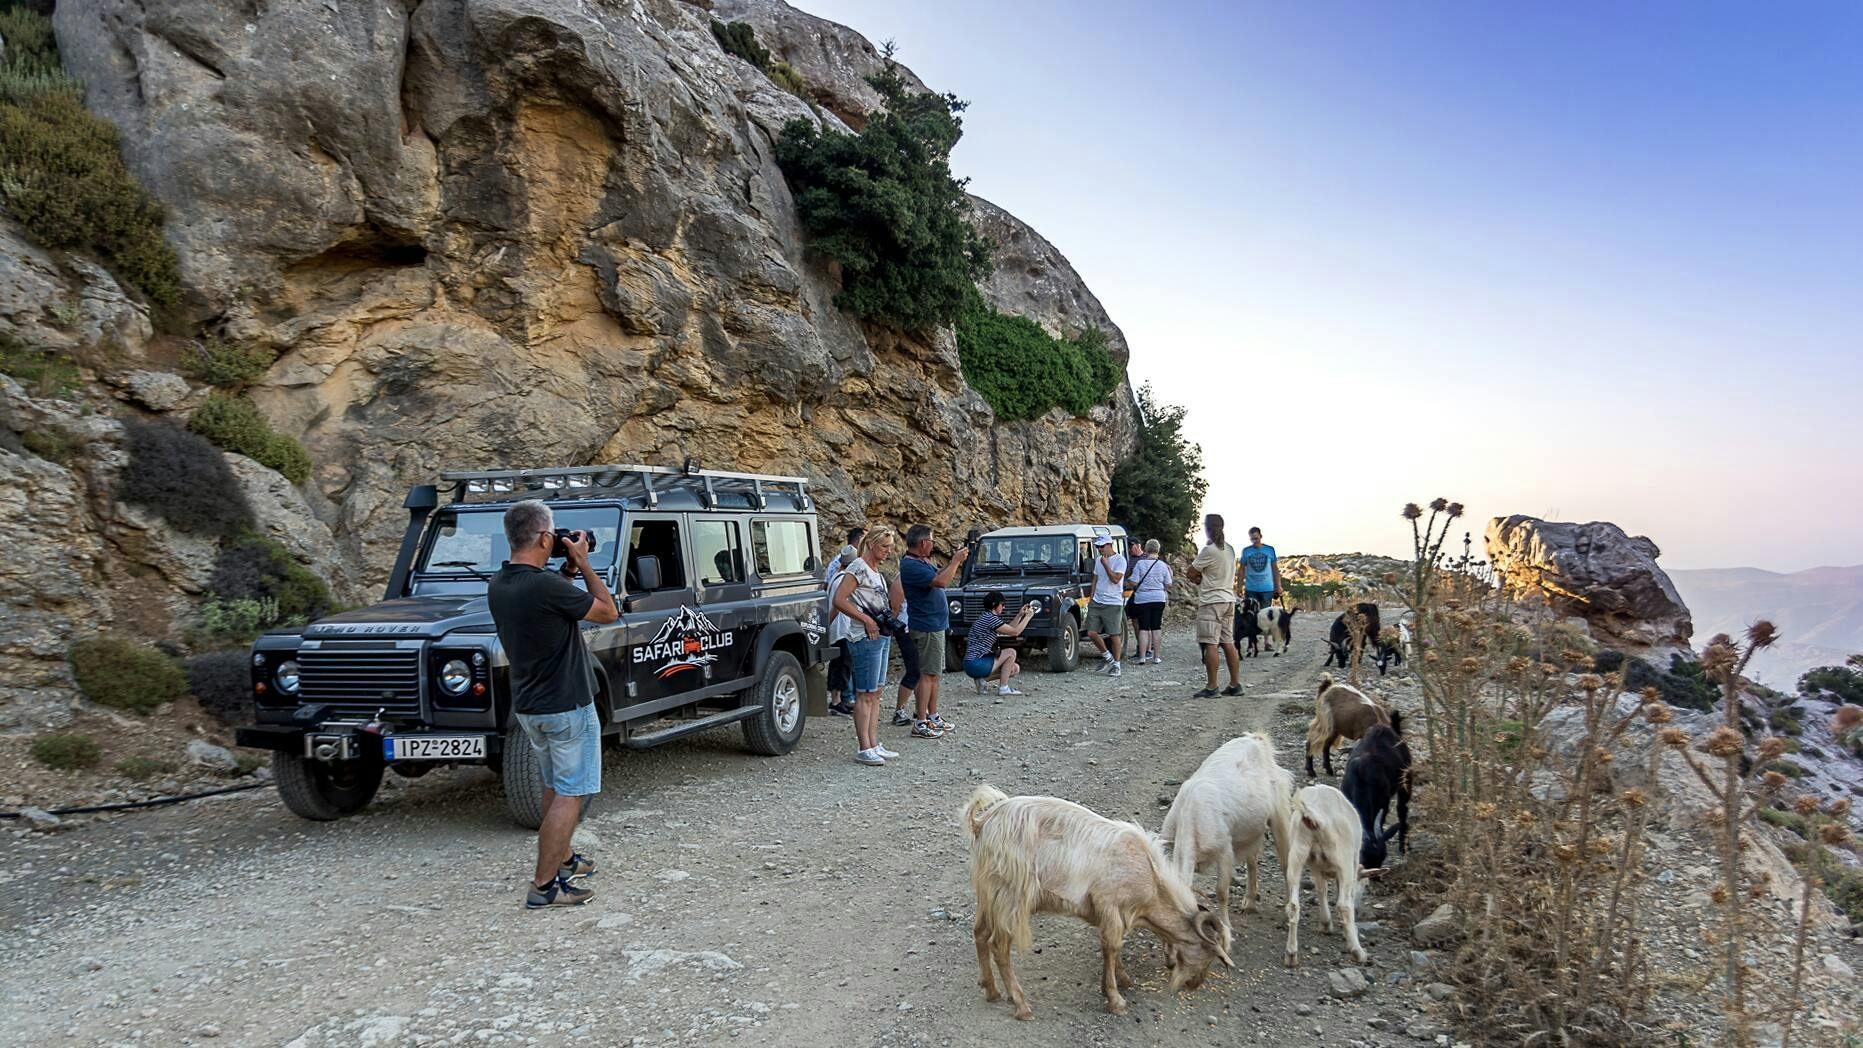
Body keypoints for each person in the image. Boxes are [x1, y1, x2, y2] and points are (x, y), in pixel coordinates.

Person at [487, 499, 619, 908]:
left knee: (554, 785)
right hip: (566, 704)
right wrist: (584, 563)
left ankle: (564, 860)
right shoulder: (544, 587)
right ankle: (544, 886)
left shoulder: (501, 583)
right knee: (571, 793)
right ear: (546, 537)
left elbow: (553, 603)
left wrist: (566, 569)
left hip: (531, 706)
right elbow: (607, 612)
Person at [831, 526, 898, 766]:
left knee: (876, 692)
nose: (888, 551)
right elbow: (839, 599)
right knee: (866, 693)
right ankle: (864, 746)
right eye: (884, 546)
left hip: (880, 634)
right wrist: (867, 619)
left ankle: (873, 743)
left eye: (890, 547)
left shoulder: (875, 571)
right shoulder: (858, 567)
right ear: (871, 544)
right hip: (864, 635)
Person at [897, 524, 967, 737]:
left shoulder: (921, 562)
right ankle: (921, 721)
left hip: (935, 625)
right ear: (923, 543)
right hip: (926, 626)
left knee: (934, 674)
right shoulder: (910, 566)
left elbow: (938, 574)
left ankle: (932, 716)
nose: (933, 545)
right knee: (927, 675)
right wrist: (955, 561)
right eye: (932, 541)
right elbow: (941, 581)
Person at [1184, 513, 1242, 698]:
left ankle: (1212, 686)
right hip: (1227, 599)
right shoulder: (1230, 549)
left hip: (1212, 601)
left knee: (1210, 643)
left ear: (1208, 528)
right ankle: (1235, 683)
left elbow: (1190, 572)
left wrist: (1200, 579)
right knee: (1228, 642)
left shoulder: (1209, 550)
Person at [823, 529, 867, 716]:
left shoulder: (834, 577)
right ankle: (837, 700)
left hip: (836, 628)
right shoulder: (845, 580)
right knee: (843, 665)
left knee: (838, 664)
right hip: (844, 629)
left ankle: (837, 699)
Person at [882, 565, 929, 737]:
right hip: (905, 628)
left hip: (917, 627)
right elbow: (895, 606)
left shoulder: (914, 576)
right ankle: (899, 711)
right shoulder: (901, 578)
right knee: (913, 670)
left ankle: (919, 709)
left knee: (921, 670)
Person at [962, 590, 1036, 695]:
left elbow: (1010, 629)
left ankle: (982, 680)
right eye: (1002, 604)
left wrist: (1020, 615)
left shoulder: (986, 617)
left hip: (971, 664)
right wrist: (1028, 617)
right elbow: (1015, 632)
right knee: (1011, 652)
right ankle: (1004, 688)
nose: (1004, 607)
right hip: (976, 663)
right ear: (994, 604)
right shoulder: (990, 619)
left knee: (1014, 668)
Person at [1083, 535, 1127, 677]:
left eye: (1102, 546)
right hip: (1097, 601)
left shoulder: (1120, 560)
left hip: (1113, 602)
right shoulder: (1098, 560)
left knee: (1114, 634)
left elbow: (1115, 580)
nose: (1100, 549)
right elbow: (1095, 579)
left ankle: (1117, 664)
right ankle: (1108, 657)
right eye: (1098, 547)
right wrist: (1091, 597)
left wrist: (1106, 565)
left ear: (1110, 545)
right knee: (1091, 632)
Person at [1128, 538, 1173, 664]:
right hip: (1159, 598)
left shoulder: (1140, 564)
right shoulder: (1163, 565)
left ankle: (1142, 656)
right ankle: (1156, 657)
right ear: (1158, 550)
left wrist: (1131, 583)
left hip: (1142, 599)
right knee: (1156, 627)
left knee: (1143, 628)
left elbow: (1133, 582)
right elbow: (1168, 584)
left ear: (1146, 550)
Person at [1241, 526, 1281, 612]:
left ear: (1260, 536)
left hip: (1267, 589)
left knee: (1264, 615)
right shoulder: (1246, 551)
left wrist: (1278, 586)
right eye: (1252, 539)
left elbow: (1274, 568)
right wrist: (1239, 587)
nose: (1255, 541)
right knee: (1250, 615)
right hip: (1251, 589)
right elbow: (1241, 569)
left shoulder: (1269, 550)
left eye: (1256, 538)